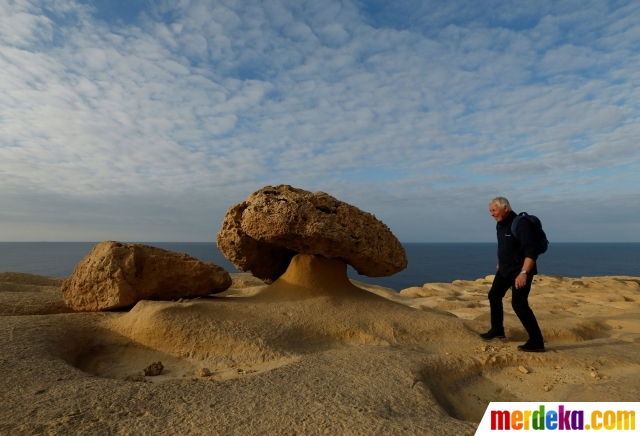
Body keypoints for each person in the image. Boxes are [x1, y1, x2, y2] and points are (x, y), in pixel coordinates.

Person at [480, 197, 545, 352]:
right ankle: (497, 330)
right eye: (490, 211)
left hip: (520, 271)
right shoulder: (500, 225)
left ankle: (537, 342)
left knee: (519, 304)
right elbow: (506, 246)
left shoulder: (520, 223)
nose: (492, 214)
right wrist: (502, 262)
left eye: (494, 210)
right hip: (505, 269)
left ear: (505, 208)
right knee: (494, 295)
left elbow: (531, 250)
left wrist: (524, 272)